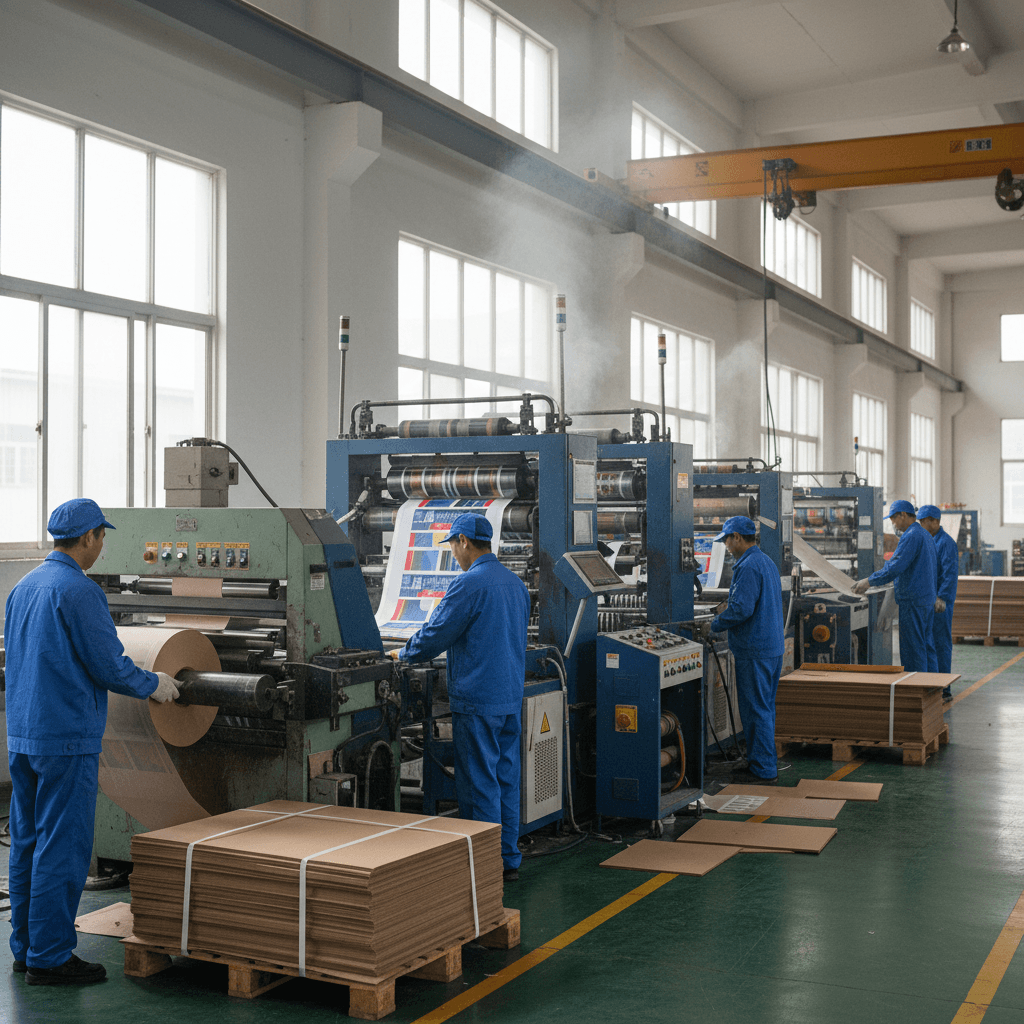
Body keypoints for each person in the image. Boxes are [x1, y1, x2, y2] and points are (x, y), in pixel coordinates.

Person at [4, 499, 180, 986]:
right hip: (65, 740)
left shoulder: (23, 588)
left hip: (23, 735)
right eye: (101, 536)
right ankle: (52, 958)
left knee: (28, 844)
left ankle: (26, 948)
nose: (103, 545)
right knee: (62, 850)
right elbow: (108, 665)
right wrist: (154, 684)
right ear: (86, 538)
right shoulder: (78, 592)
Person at [389, 512, 530, 881]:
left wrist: (403, 654)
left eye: (453, 545)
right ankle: (507, 859)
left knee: (480, 782)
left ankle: (482, 869)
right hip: (509, 697)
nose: (453, 552)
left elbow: (437, 633)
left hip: (479, 699)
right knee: (505, 779)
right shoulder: (515, 584)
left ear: (464, 541)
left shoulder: (469, 584)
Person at [705, 516, 784, 784]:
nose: (726, 546)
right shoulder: (765, 561)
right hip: (769, 647)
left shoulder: (748, 566)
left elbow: (741, 609)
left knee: (755, 710)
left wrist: (714, 624)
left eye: (727, 539)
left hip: (755, 650)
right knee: (763, 708)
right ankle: (759, 761)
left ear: (737, 537)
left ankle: (763, 769)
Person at [853, 499, 937, 674]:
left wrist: (868, 581)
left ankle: (915, 692)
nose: (893, 523)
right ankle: (931, 690)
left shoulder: (911, 536)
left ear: (904, 515)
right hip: (926, 600)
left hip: (913, 602)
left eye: (893, 519)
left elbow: (895, 566)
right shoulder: (925, 535)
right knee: (925, 647)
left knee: (913, 651)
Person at [917, 505, 958, 700]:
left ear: (934, 521)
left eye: (923, 522)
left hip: (941, 604)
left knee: (941, 644)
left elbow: (949, 574)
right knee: (930, 644)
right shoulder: (930, 540)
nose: (922, 526)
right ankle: (933, 685)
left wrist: (941, 597)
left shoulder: (946, 543)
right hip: (929, 601)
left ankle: (945, 690)